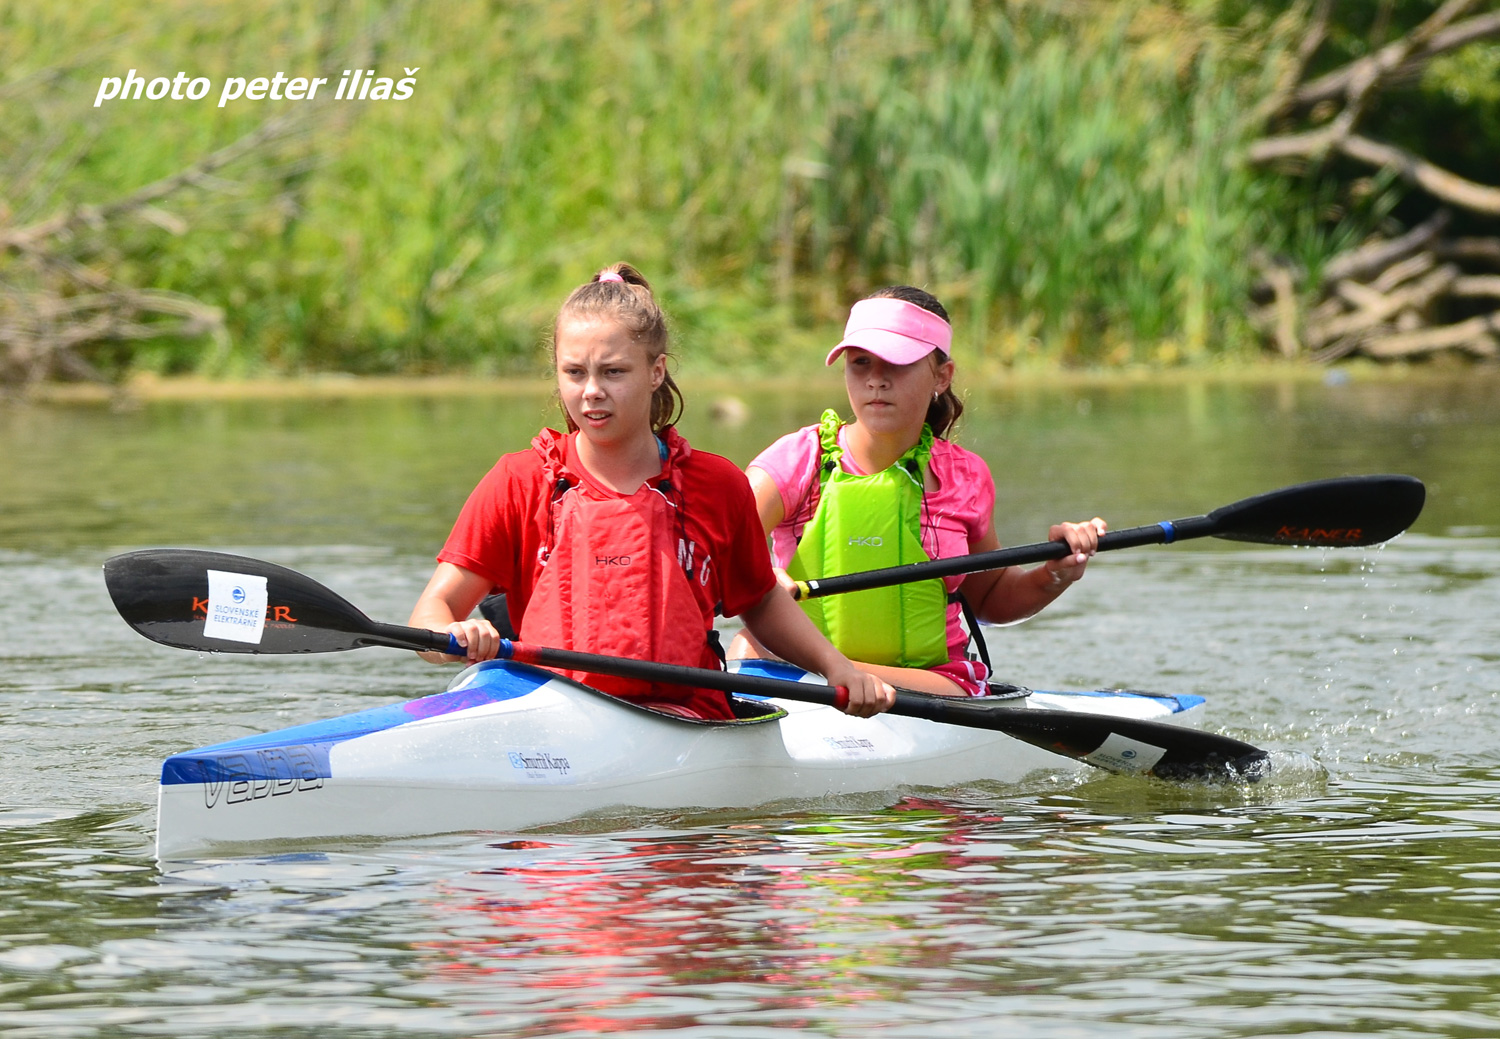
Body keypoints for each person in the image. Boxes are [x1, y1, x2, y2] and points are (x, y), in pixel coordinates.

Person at [408, 263, 895, 720]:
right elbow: (432, 616)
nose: (592, 391)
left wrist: (838, 669)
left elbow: (762, 601)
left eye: (614, 372)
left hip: (687, 717)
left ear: (656, 371)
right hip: (549, 713)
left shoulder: (717, 484)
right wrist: (451, 632)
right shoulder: (518, 480)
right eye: (574, 372)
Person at [727, 285, 1107, 697]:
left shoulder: (965, 477)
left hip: (927, 687)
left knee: (758, 653)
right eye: (860, 363)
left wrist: (1054, 573)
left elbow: (991, 599)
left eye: (896, 363)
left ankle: (842, 676)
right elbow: (714, 542)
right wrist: (759, 577)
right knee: (748, 646)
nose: (875, 380)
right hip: (796, 669)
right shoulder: (799, 459)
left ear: (941, 377)